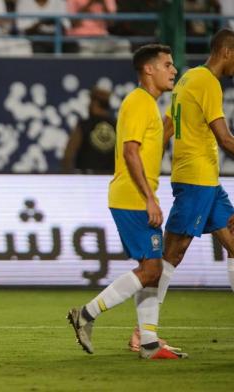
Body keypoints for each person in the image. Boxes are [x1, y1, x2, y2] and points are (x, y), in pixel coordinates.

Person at [67, 44, 186, 359]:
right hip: (132, 197)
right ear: (149, 69)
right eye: (168, 64)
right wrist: (150, 198)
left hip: (135, 195)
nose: (173, 70)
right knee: (151, 269)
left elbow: (147, 148)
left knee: (153, 269)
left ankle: (148, 341)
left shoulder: (149, 106)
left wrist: (168, 128)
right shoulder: (138, 101)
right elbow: (129, 152)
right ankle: (86, 314)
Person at [129, 28, 234, 352]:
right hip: (196, 180)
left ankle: (142, 332)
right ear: (227, 52)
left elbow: (172, 126)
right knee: (168, 257)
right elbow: (224, 138)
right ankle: (142, 334)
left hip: (203, 180)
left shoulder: (189, 78)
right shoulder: (207, 83)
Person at [62, 86, 116, 174]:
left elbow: (68, 155)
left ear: (94, 103)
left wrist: (67, 179)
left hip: (86, 182)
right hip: (110, 181)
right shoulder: (117, 126)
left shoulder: (84, 125)